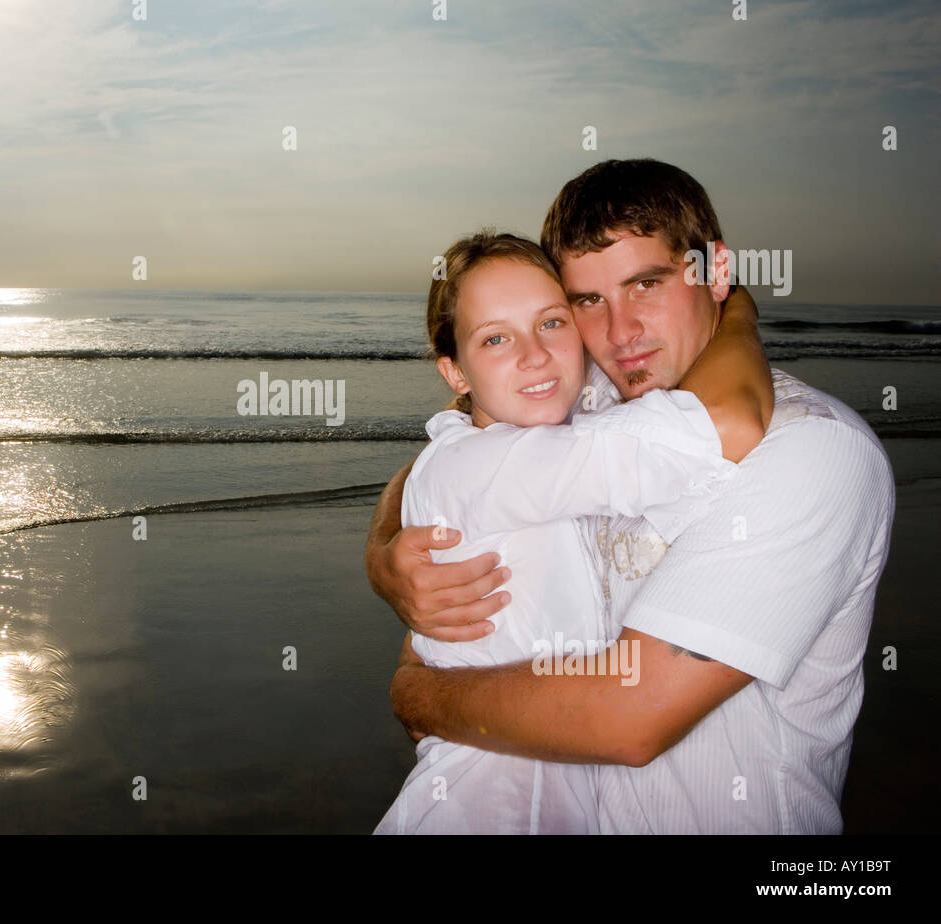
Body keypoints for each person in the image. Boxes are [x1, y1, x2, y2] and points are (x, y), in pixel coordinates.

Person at [365, 159, 896, 833]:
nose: (620, 333)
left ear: (717, 273)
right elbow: (449, 456)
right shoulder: (589, 398)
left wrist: (422, 693)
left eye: (647, 284)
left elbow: (628, 720)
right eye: (587, 301)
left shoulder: (812, 454)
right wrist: (385, 551)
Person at [372, 230, 772, 834]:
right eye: (496, 338)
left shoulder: (495, 441)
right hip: (487, 805)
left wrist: (381, 545)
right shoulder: (493, 463)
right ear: (455, 370)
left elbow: (433, 460)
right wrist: (736, 308)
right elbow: (726, 425)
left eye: (552, 323)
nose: (534, 355)